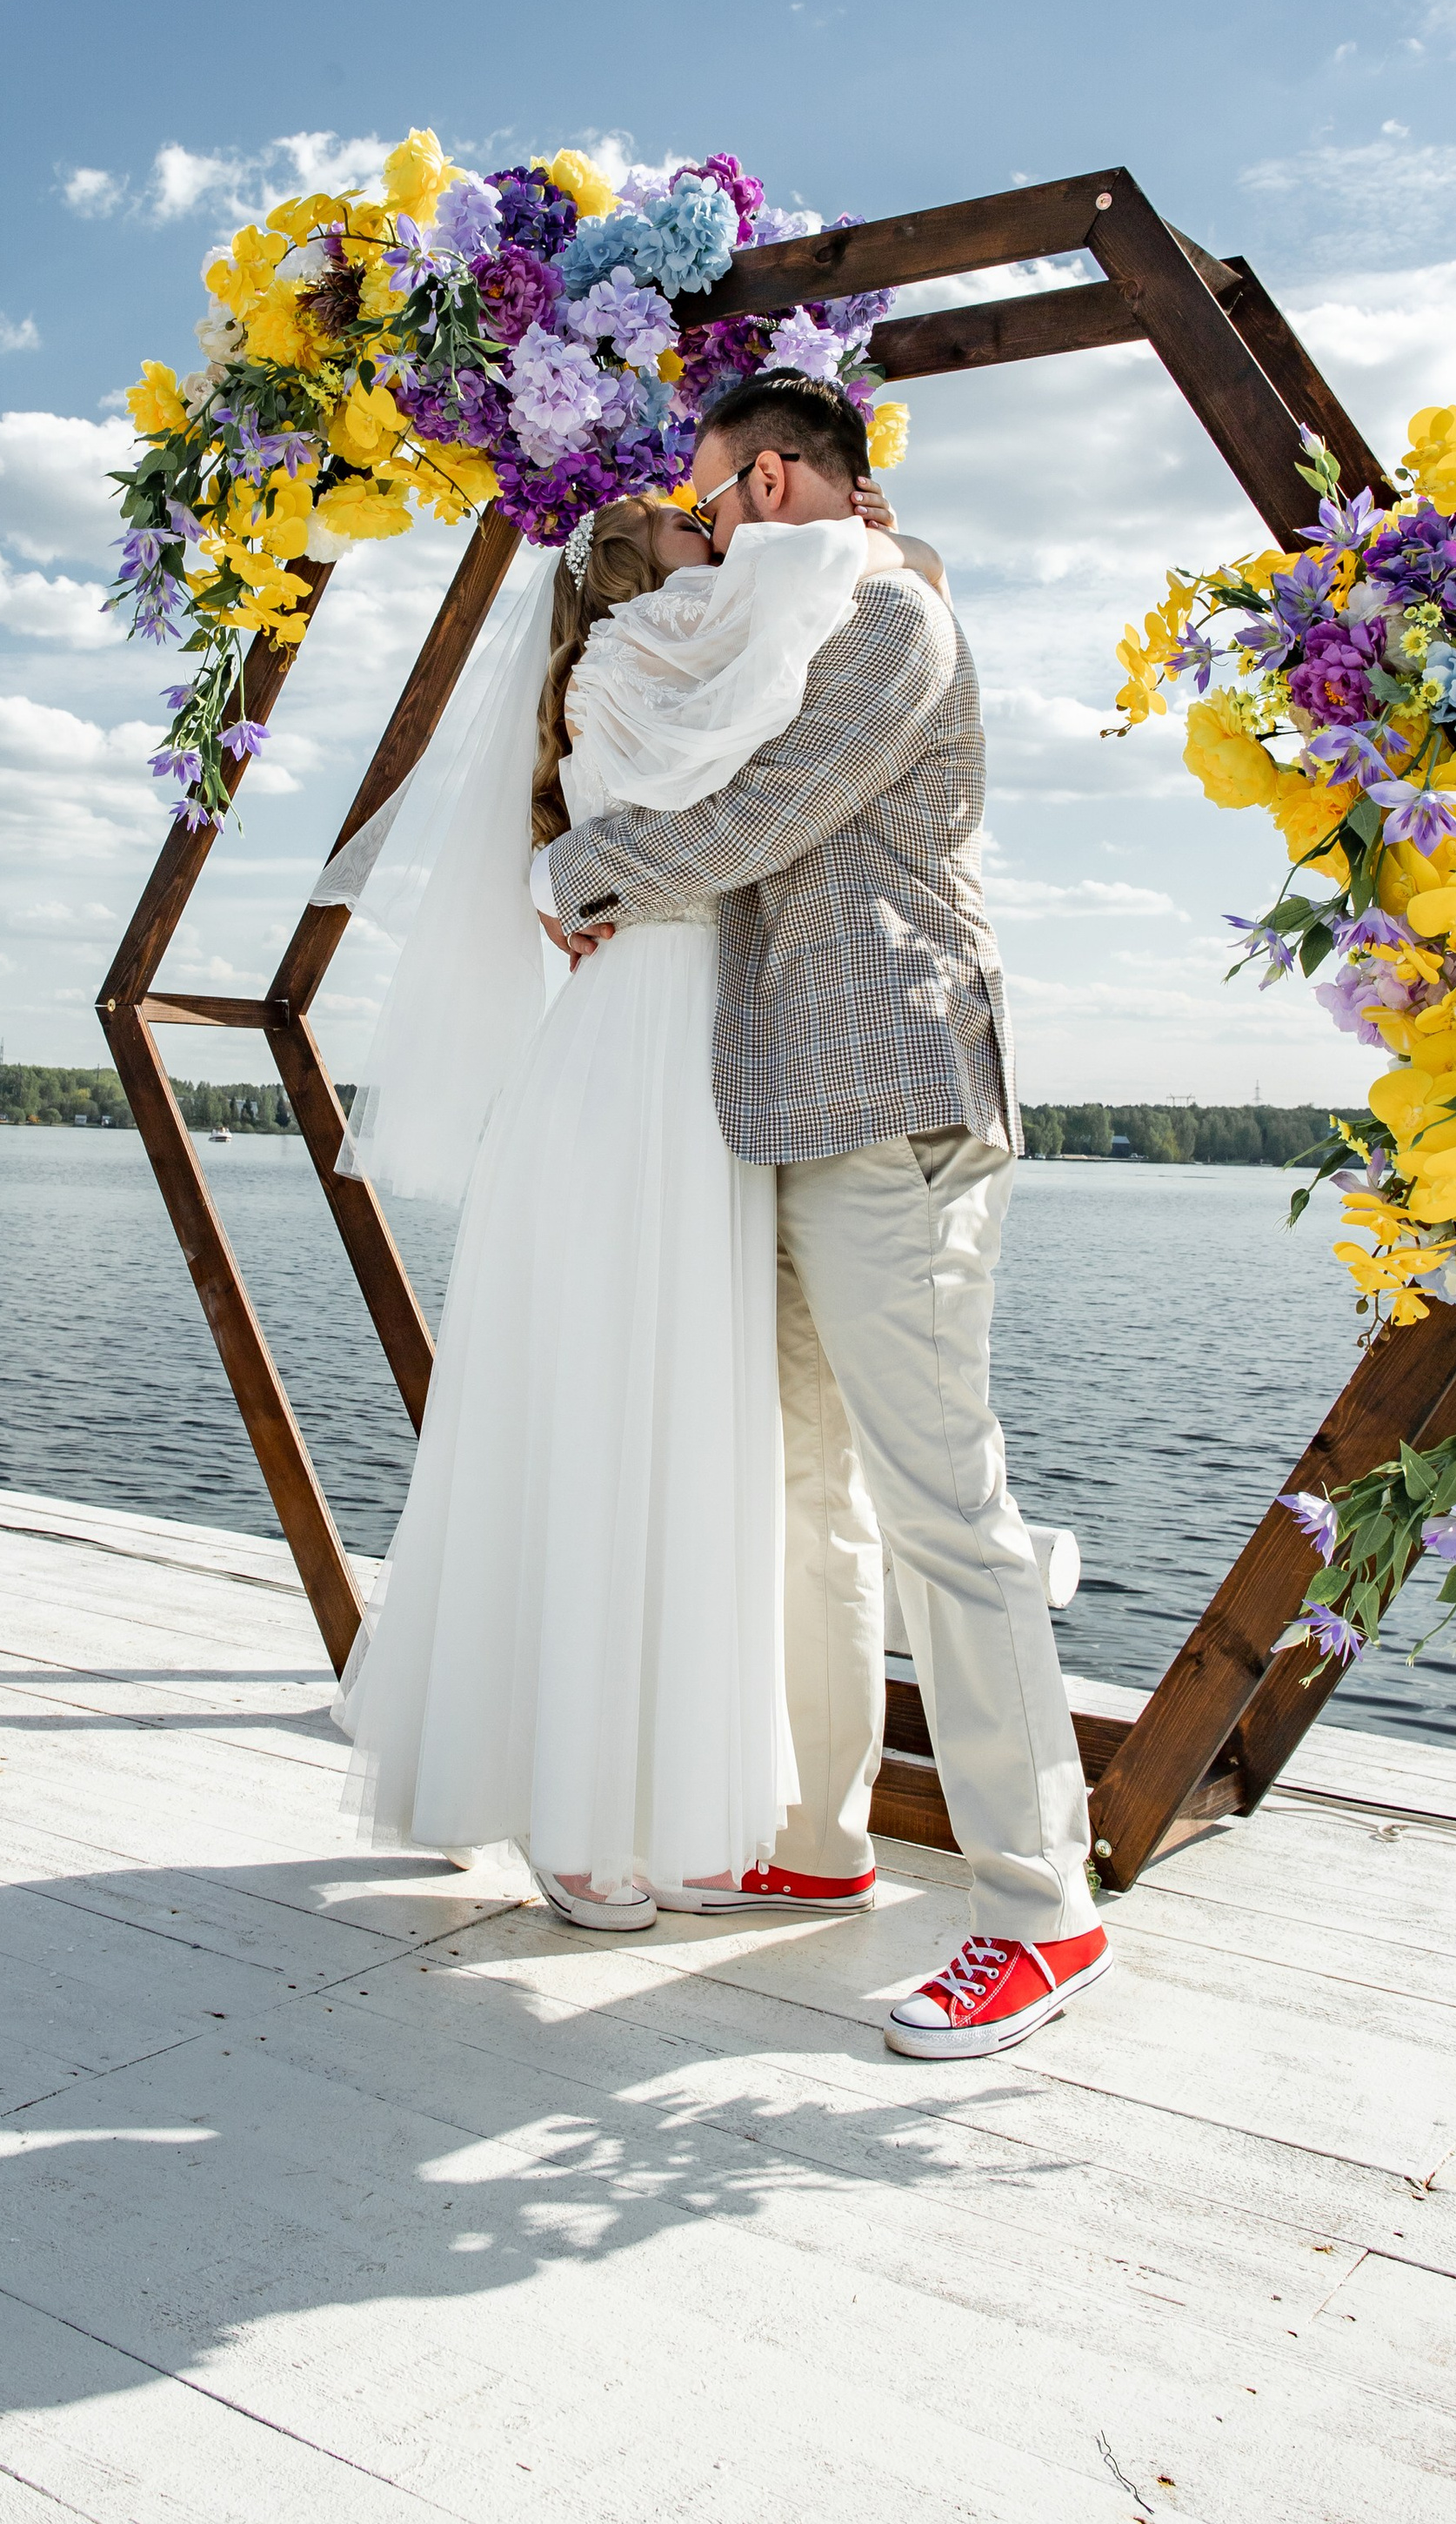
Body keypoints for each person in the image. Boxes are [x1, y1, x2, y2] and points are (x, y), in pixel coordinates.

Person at [538, 372, 1109, 2059]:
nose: (704, 533)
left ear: (774, 480)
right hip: (779, 1102)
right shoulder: (799, 613)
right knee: (809, 1499)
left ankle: (1040, 1911)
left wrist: (579, 875)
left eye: (713, 504)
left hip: (892, 1097)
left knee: (946, 1508)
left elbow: (760, 813)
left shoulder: (887, 618)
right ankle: (819, 1847)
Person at [333, 482, 911, 1928]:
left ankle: (639, 1797)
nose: (719, 531)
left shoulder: (672, 645)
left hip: (688, 1076)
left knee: (673, 1438)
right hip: (630, 1075)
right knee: (597, 1426)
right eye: (687, 526)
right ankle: (571, 1816)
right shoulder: (645, 656)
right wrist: (861, 532)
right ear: (633, 570)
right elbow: (782, 642)